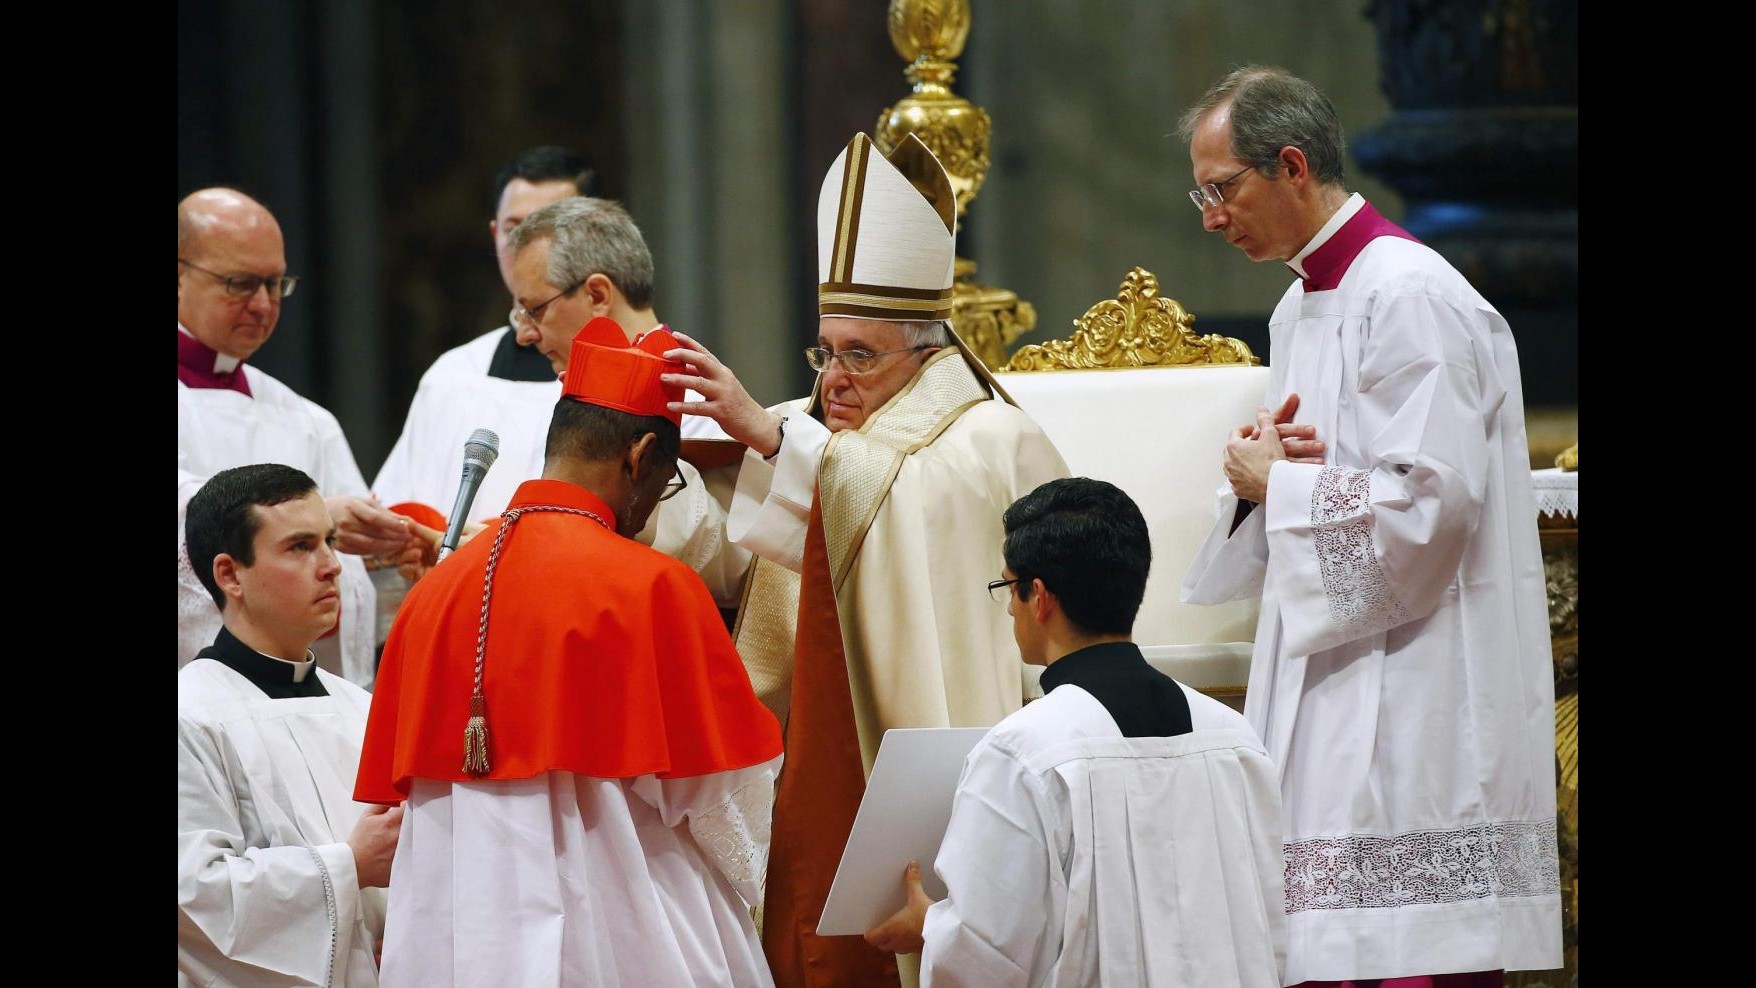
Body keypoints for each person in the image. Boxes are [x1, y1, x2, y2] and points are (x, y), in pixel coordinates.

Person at [1177, 66, 1561, 986]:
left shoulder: (1412, 296)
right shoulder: (1299, 302)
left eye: (1221, 189)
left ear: (1294, 165)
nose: (1210, 217)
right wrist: (1262, 474)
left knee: (1406, 955)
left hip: (1419, 678)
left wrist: (1285, 488)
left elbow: (1432, 506)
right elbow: (1323, 476)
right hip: (1330, 667)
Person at [666, 132, 1069, 986]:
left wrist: (778, 442)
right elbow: (735, 545)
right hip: (814, 746)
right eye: (826, 351)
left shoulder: (989, 435)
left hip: (930, 747)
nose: (836, 379)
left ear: (929, 353)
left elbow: (904, 498)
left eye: (861, 354)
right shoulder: (815, 427)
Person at [354, 320, 784, 987]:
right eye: (666, 482)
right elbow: (723, 804)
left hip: (459, 932)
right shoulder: (655, 585)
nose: (649, 510)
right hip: (620, 922)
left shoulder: (433, 594)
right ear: (641, 456)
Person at [864, 477, 1286, 987]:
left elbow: (989, 949)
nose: (1008, 608)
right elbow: (1268, 914)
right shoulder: (1232, 734)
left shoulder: (1023, 750)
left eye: (1007, 588)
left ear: (1038, 597)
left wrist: (930, 928)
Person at [179, 464, 401, 986]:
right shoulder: (192, 713)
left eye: (330, 540)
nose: (332, 566)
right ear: (230, 575)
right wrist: (349, 867)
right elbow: (193, 896)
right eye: (300, 547)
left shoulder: (362, 707)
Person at [179, 187, 410, 684]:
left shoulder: (306, 418)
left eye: (274, 283)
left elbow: (356, 580)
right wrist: (319, 514)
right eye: (239, 283)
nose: (262, 305)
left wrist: (384, 544)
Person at [371, 144, 597, 516]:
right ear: (494, 234)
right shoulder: (452, 376)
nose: (527, 249)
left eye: (548, 230)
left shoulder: (652, 372)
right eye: (514, 229)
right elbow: (398, 516)